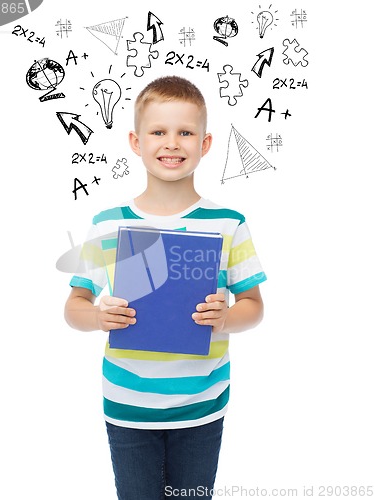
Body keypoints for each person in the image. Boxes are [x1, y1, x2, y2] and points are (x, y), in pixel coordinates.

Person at [64, 76, 266, 499]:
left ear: (205, 143)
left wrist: (227, 317)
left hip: (202, 405)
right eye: (158, 132)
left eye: (185, 133)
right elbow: (74, 305)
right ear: (136, 142)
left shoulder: (229, 222)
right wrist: (99, 316)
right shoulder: (108, 224)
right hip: (128, 406)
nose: (171, 144)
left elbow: (253, 305)